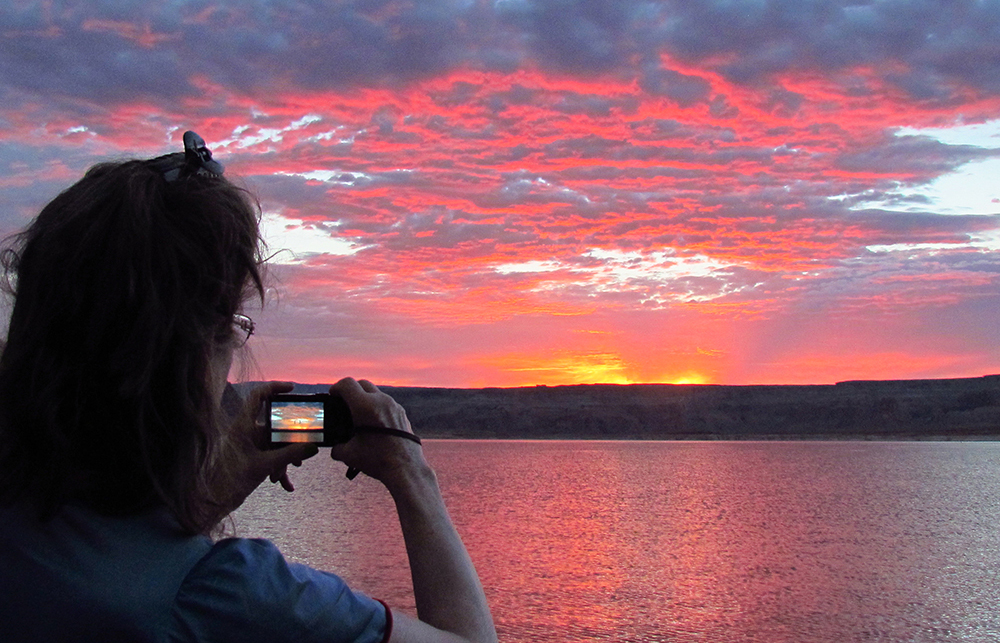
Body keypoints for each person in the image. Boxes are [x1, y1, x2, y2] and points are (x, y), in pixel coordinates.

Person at [0, 131, 497, 643]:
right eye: (235, 325)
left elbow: (127, 550)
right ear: (188, 361)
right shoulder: (233, 594)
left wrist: (214, 489)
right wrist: (412, 473)